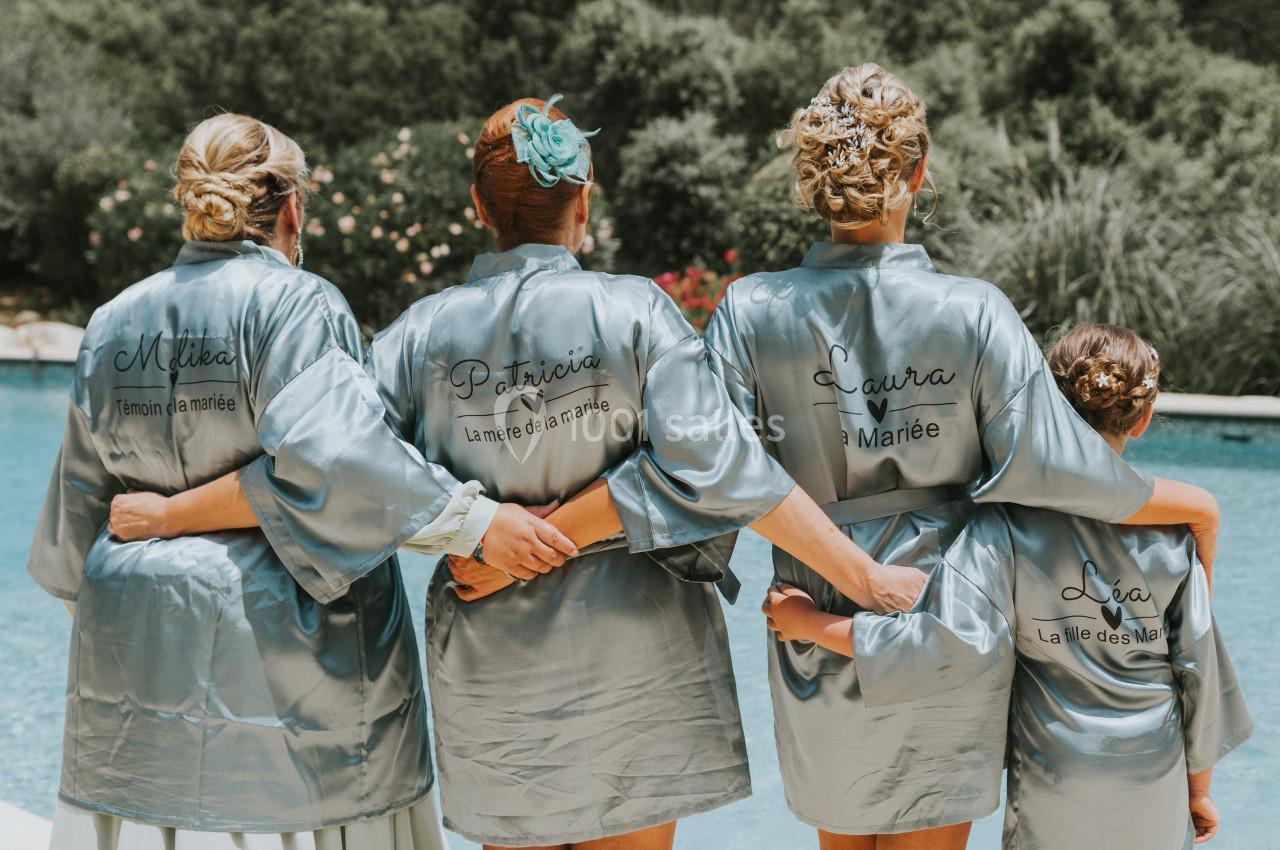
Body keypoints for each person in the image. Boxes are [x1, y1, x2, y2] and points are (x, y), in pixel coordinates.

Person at [107, 96, 926, 850]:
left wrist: (470, 523)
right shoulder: (636, 310)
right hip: (639, 653)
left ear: (479, 208)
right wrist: (861, 575)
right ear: (585, 200)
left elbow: (313, 445)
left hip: (494, 666)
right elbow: (718, 464)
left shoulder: (420, 334)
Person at [28, 112, 581, 850]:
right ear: (291, 210)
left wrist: (147, 599)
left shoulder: (110, 322)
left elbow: (69, 542)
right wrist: (481, 526)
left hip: (131, 671)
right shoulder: (298, 302)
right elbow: (344, 463)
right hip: (284, 670)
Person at [704, 64, 1222, 849]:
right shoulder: (975, 312)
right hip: (947, 607)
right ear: (918, 172)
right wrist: (1189, 505)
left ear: (812, 178)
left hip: (810, 617)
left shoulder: (749, 311)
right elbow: (1063, 470)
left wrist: (847, 581)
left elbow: (717, 473)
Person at [765, 323, 1253, 850]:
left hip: (1053, 776)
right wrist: (1198, 789)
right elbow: (1200, 671)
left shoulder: (1006, 529)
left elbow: (941, 641)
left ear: (1045, 410)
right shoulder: (1172, 539)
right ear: (1144, 419)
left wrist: (811, 624)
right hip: (1155, 775)